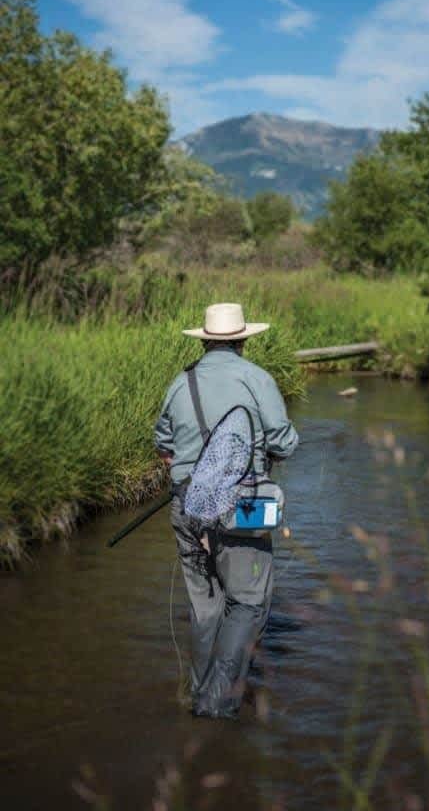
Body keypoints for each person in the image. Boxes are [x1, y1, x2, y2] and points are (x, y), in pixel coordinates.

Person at [154, 302, 298, 718]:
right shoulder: (257, 379)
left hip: (186, 508)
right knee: (249, 604)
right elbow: (284, 442)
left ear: (206, 339)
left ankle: (198, 693)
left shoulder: (181, 383)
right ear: (242, 339)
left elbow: (163, 443)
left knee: (206, 606)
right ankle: (216, 703)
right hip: (241, 509)